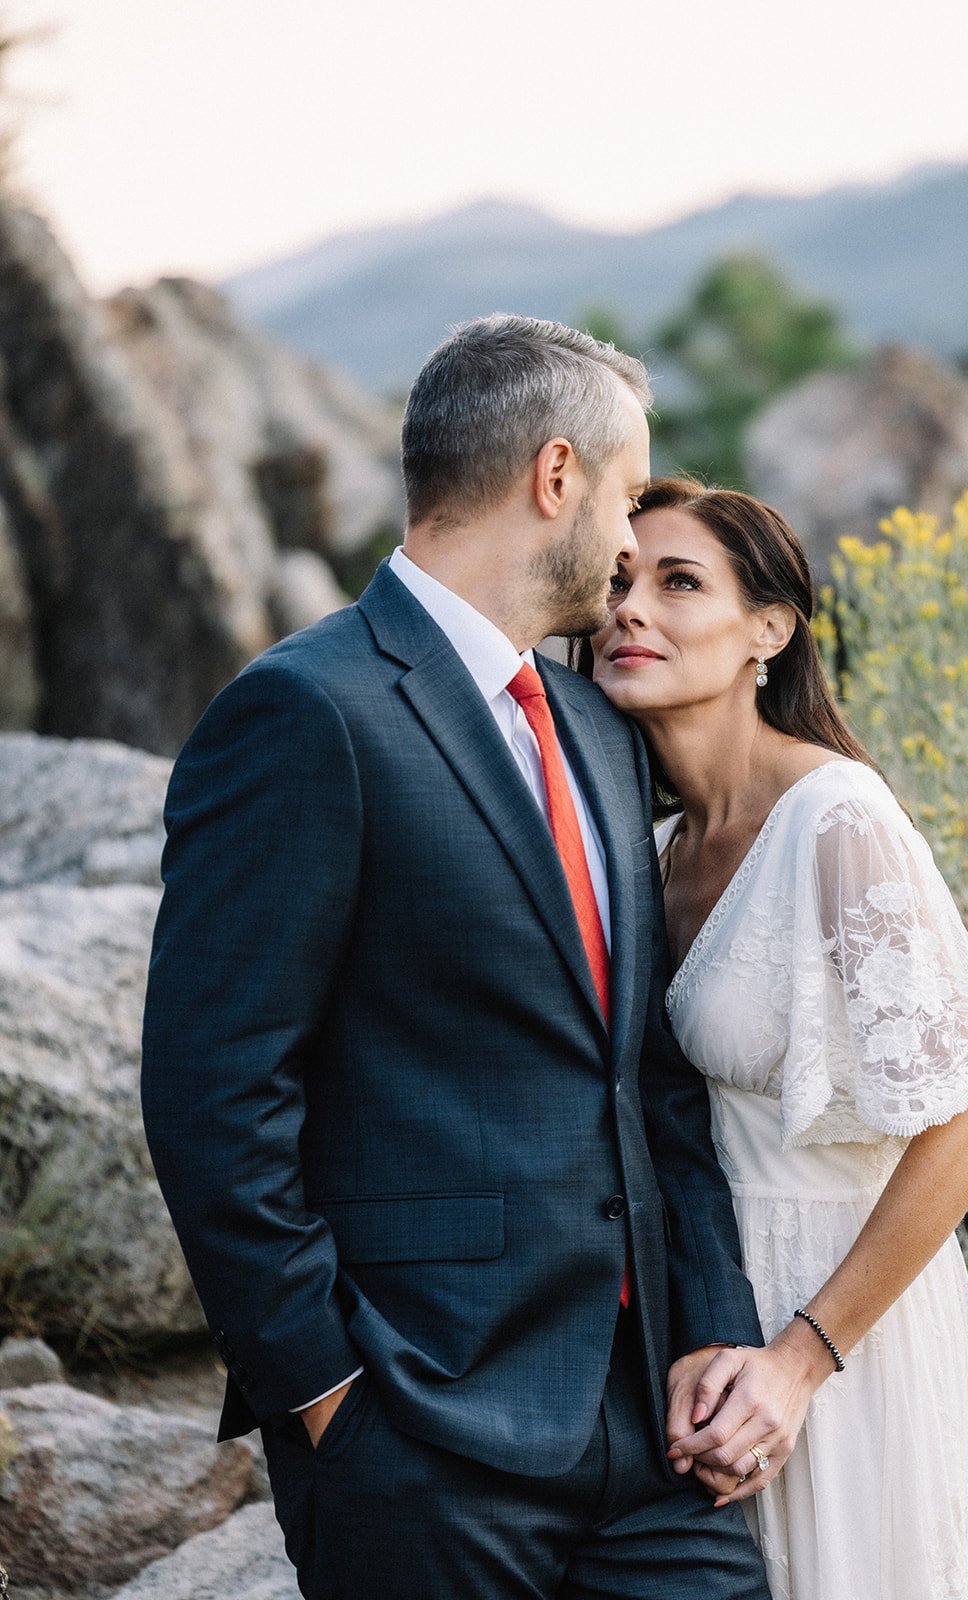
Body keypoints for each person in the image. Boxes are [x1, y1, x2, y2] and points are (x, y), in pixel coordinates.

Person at [140, 321, 774, 1600]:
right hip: (418, 1434)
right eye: (625, 491)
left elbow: (644, 1073)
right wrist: (326, 1396)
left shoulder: (595, 728)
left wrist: (712, 1324)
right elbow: (213, 1092)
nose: (626, 543)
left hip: (645, 1431)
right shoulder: (305, 711)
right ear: (555, 477)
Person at [586, 477, 968, 1600]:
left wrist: (797, 1359)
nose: (630, 608)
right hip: (710, 1325)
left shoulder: (835, 818)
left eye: (679, 582)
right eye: (617, 580)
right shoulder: (660, 846)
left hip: (839, 1320)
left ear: (766, 630)